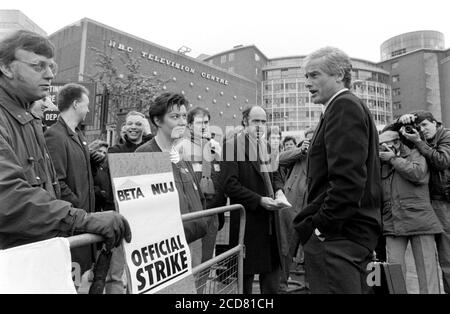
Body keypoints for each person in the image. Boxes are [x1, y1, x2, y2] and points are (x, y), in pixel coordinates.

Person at [0, 30, 131, 255]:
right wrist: (81, 219)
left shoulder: (28, 121)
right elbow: (7, 197)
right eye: (38, 66)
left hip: (34, 256)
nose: (50, 74)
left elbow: (48, 189)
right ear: (5, 67)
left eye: (52, 67)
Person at [293, 47, 381, 294]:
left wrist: (322, 227)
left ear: (339, 74)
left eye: (314, 75)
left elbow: (348, 180)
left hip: (339, 238)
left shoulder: (343, 107)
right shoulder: (344, 107)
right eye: (306, 77)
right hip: (348, 235)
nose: (307, 83)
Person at [136, 92, 208, 268]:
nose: (182, 122)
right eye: (175, 116)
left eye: (184, 116)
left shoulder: (181, 155)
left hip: (192, 240)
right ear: (157, 120)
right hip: (163, 251)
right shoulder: (145, 154)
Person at [220, 105, 287, 294]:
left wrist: (280, 191)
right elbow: (229, 185)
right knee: (245, 279)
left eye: (263, 122)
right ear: (245, 122)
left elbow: (276, 176)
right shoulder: (232, 146)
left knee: (272, 275)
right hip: (248, 221)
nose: (260, 126)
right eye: (255, 121)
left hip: (269, 222)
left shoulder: (266, 147)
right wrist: (259, 200)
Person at [44, 83, 97, 281]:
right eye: (87, 104)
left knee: (81, 280)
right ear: (76, 104)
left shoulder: (78, 135)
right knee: (70, 283)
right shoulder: (55, 135)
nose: (89, 109)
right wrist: (79, 208)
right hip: (72, 225)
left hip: (83, 223)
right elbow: (57, 182)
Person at [379, 129, 442, 293]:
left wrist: (393, 159)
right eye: (378, 146)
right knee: (394, 269)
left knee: (427, 270)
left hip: (420, 220)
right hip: (393, 222)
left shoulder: (415, 154)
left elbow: (418, 174)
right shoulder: (380, 164)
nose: (380, 149)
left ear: (396, 143)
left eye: (383, 145)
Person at [399, 110, 450, 293]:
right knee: (431, 259)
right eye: (419, 127)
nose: (422, 129)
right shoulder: (420, 140)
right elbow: (391, 135)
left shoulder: (446, 136)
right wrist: (401, 120)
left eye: (425, 125)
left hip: (443, 202)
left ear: (435, 123)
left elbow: (442, 161)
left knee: (447, 257)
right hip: (428, 204)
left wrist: (418, 141)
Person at [176, 106, 226, 264]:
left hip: (212, 212)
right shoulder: (180, 148)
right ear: (190, 126)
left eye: (206, 122)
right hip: (193, 213)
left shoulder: (215, 148)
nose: (203, 126)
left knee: (206, 261)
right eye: (199, 123)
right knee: (193, 260)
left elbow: (221, 178)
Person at [277, 127, 314, 292]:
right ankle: (281, 287)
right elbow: (278, 160)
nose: (313, 142)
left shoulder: (326, 155)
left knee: (312, 252)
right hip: (291, 209)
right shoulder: (299, 154)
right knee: (286, 250)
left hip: (312, 211)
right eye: (309, 139)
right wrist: (301, 150)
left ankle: (310, 287)